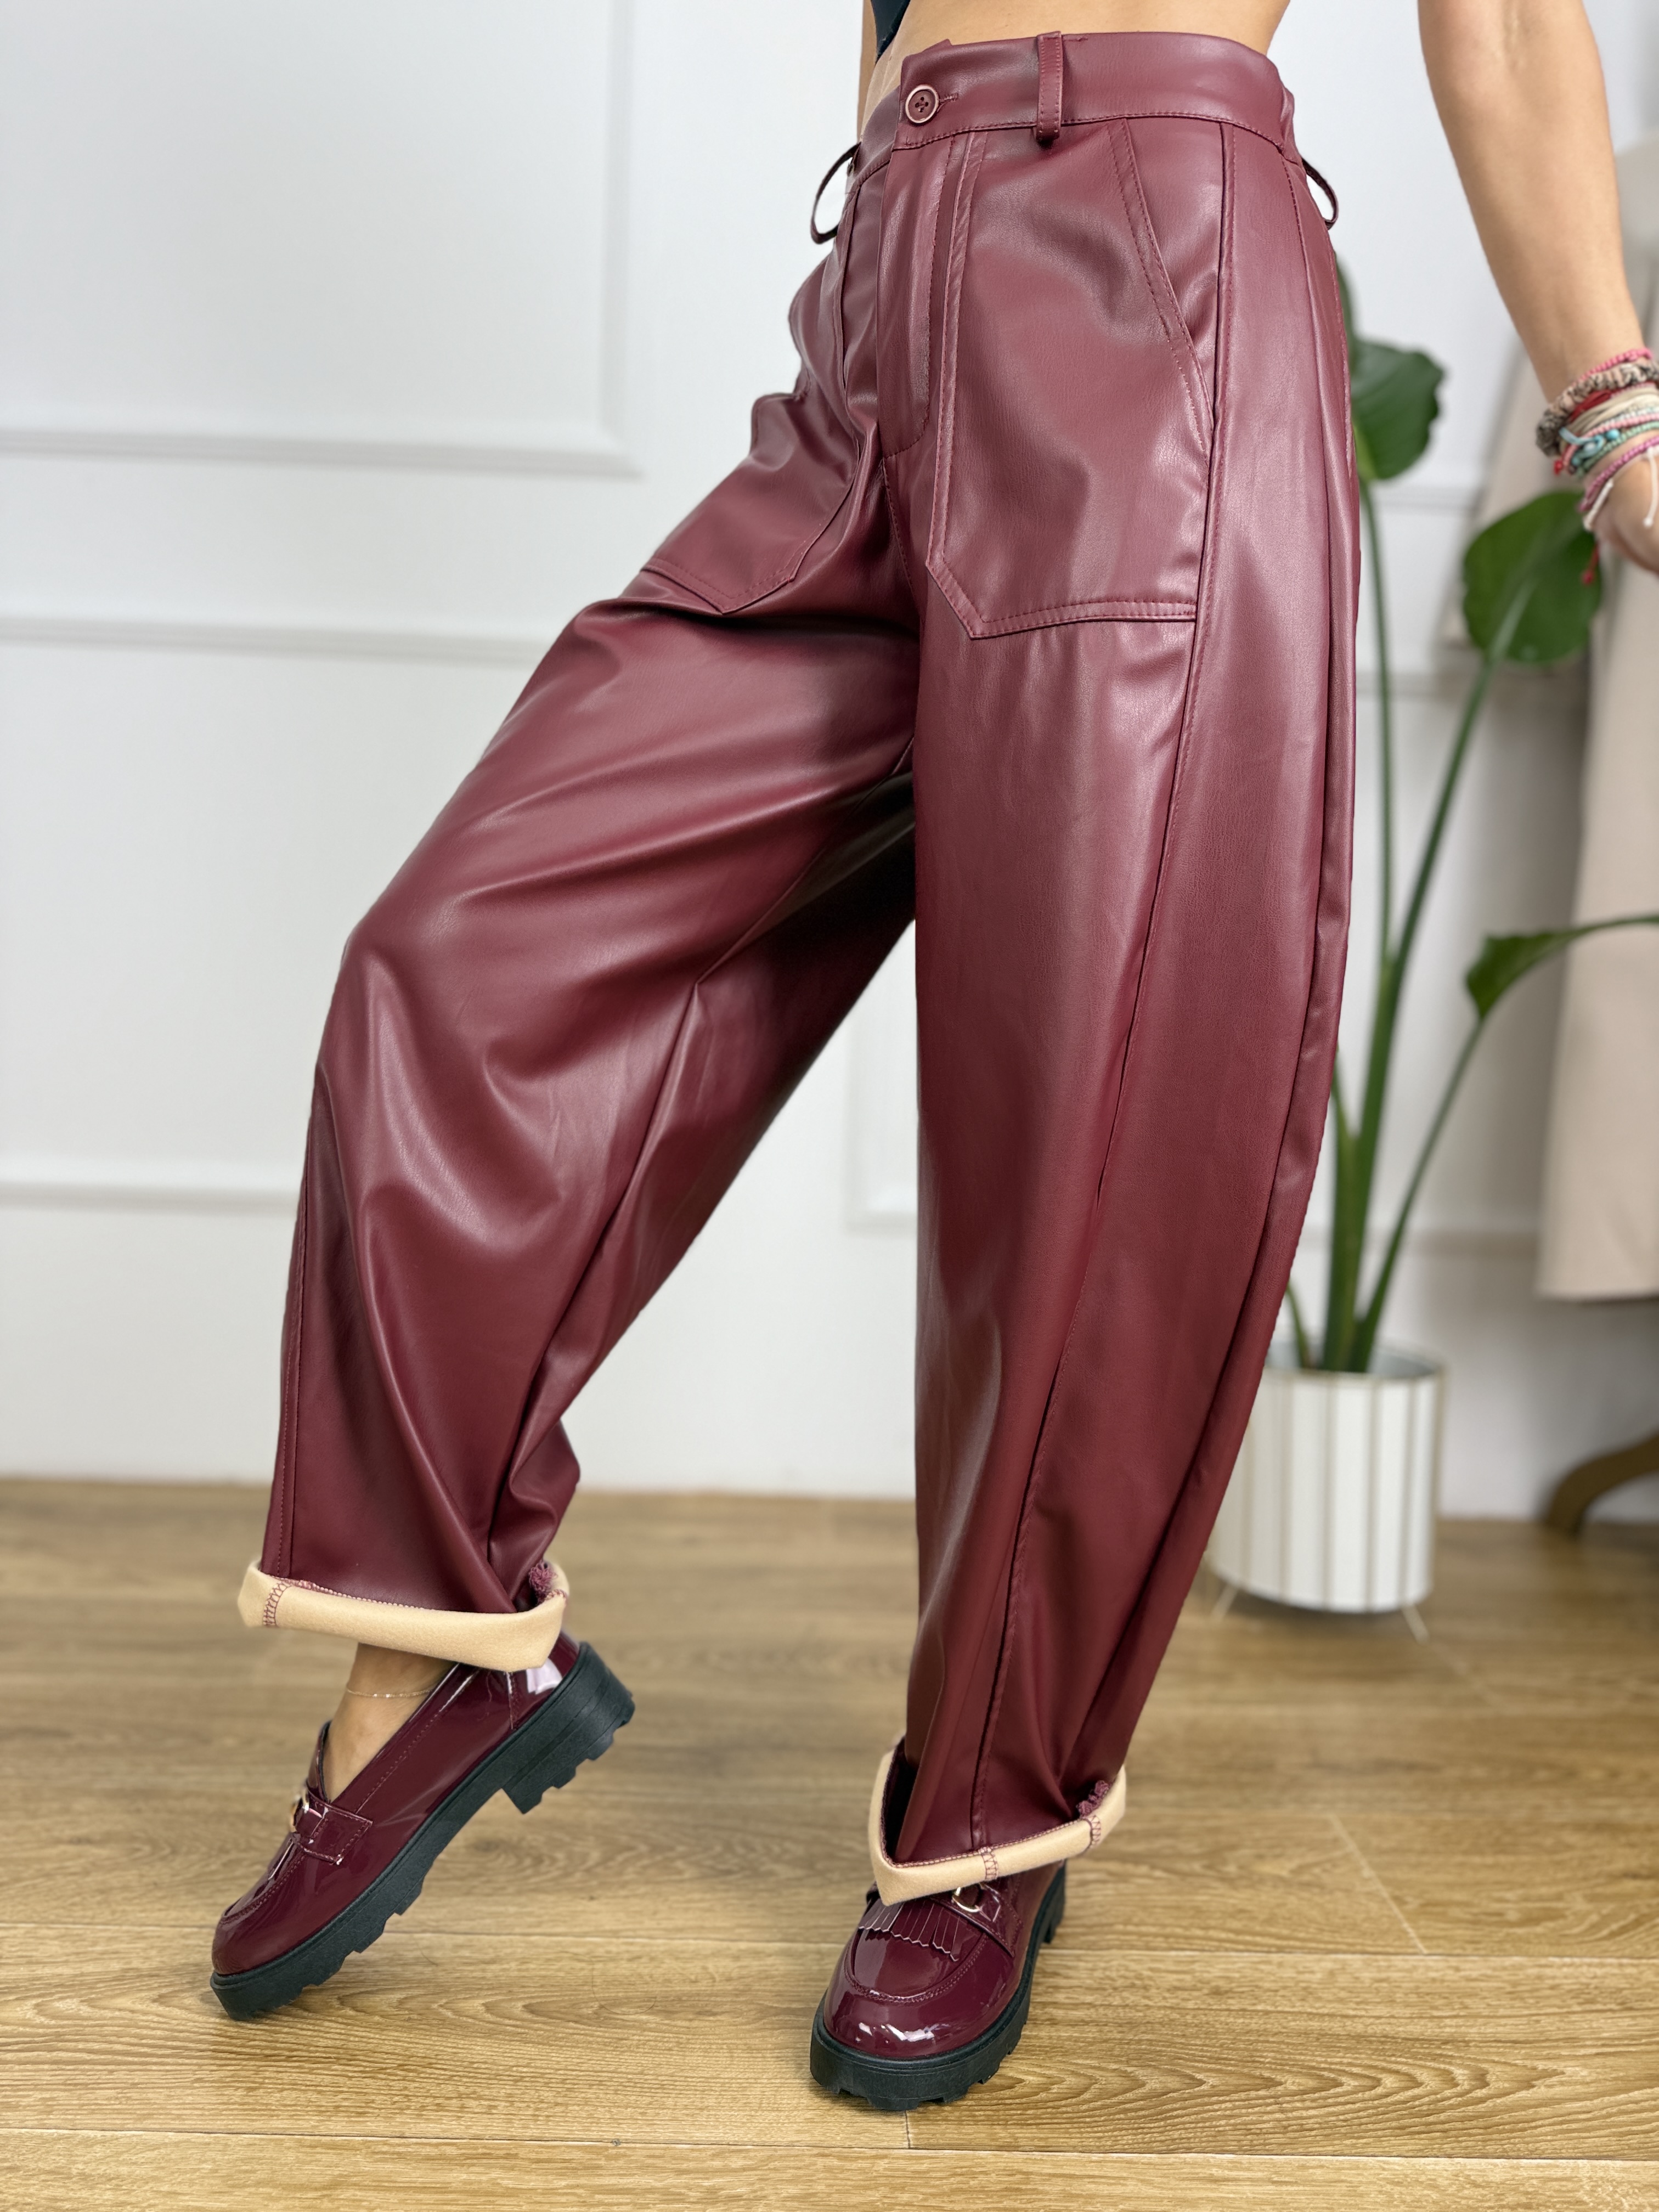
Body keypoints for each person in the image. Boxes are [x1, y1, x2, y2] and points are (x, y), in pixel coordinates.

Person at [208, 0, 1659, 2108]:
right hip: (892, 291)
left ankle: (988, 1817)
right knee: (457, 964)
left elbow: (1509, 17)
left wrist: (1617, 416)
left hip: (1153, 278)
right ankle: (427, 1647)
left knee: (1087, 1120)